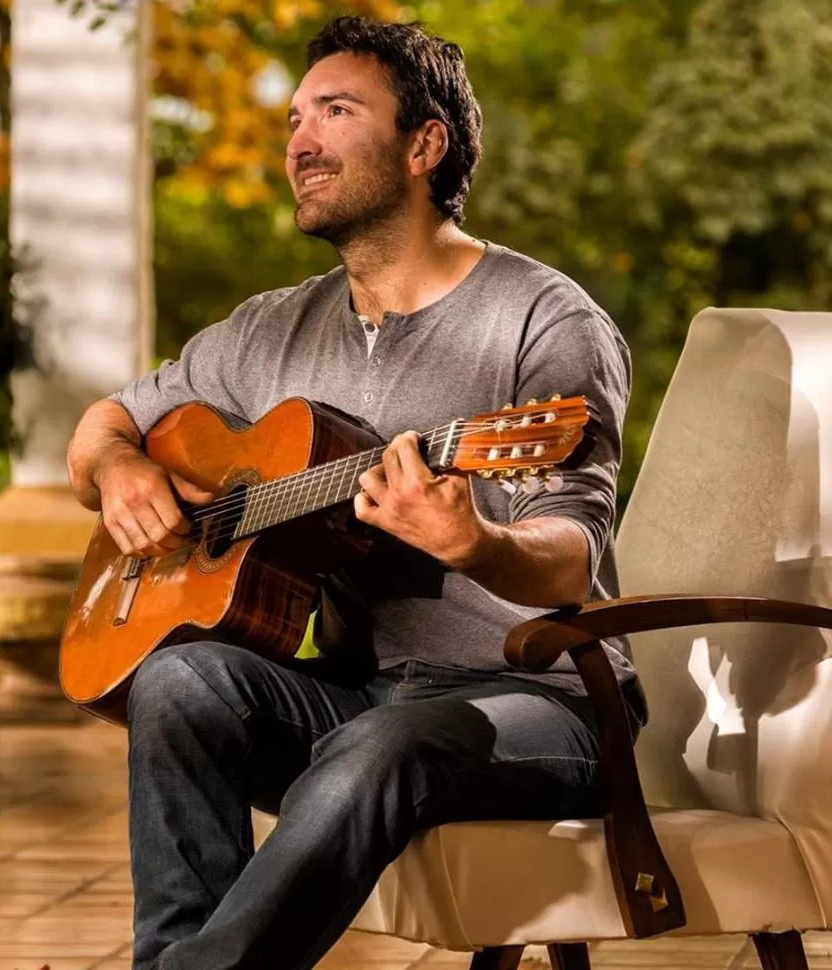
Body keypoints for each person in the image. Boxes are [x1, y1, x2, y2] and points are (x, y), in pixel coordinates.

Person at [66, 15, 643, 970]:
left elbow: (572, 561)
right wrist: (119, 469)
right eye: (295, 118)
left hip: (539, 702)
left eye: (335, 111)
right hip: (363, 697)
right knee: (178, 681)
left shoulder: (544, 319)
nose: (300, 140)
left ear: (424, 146)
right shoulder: (268, 330)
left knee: (379, 748)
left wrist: (479, 546)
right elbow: (101, 426)